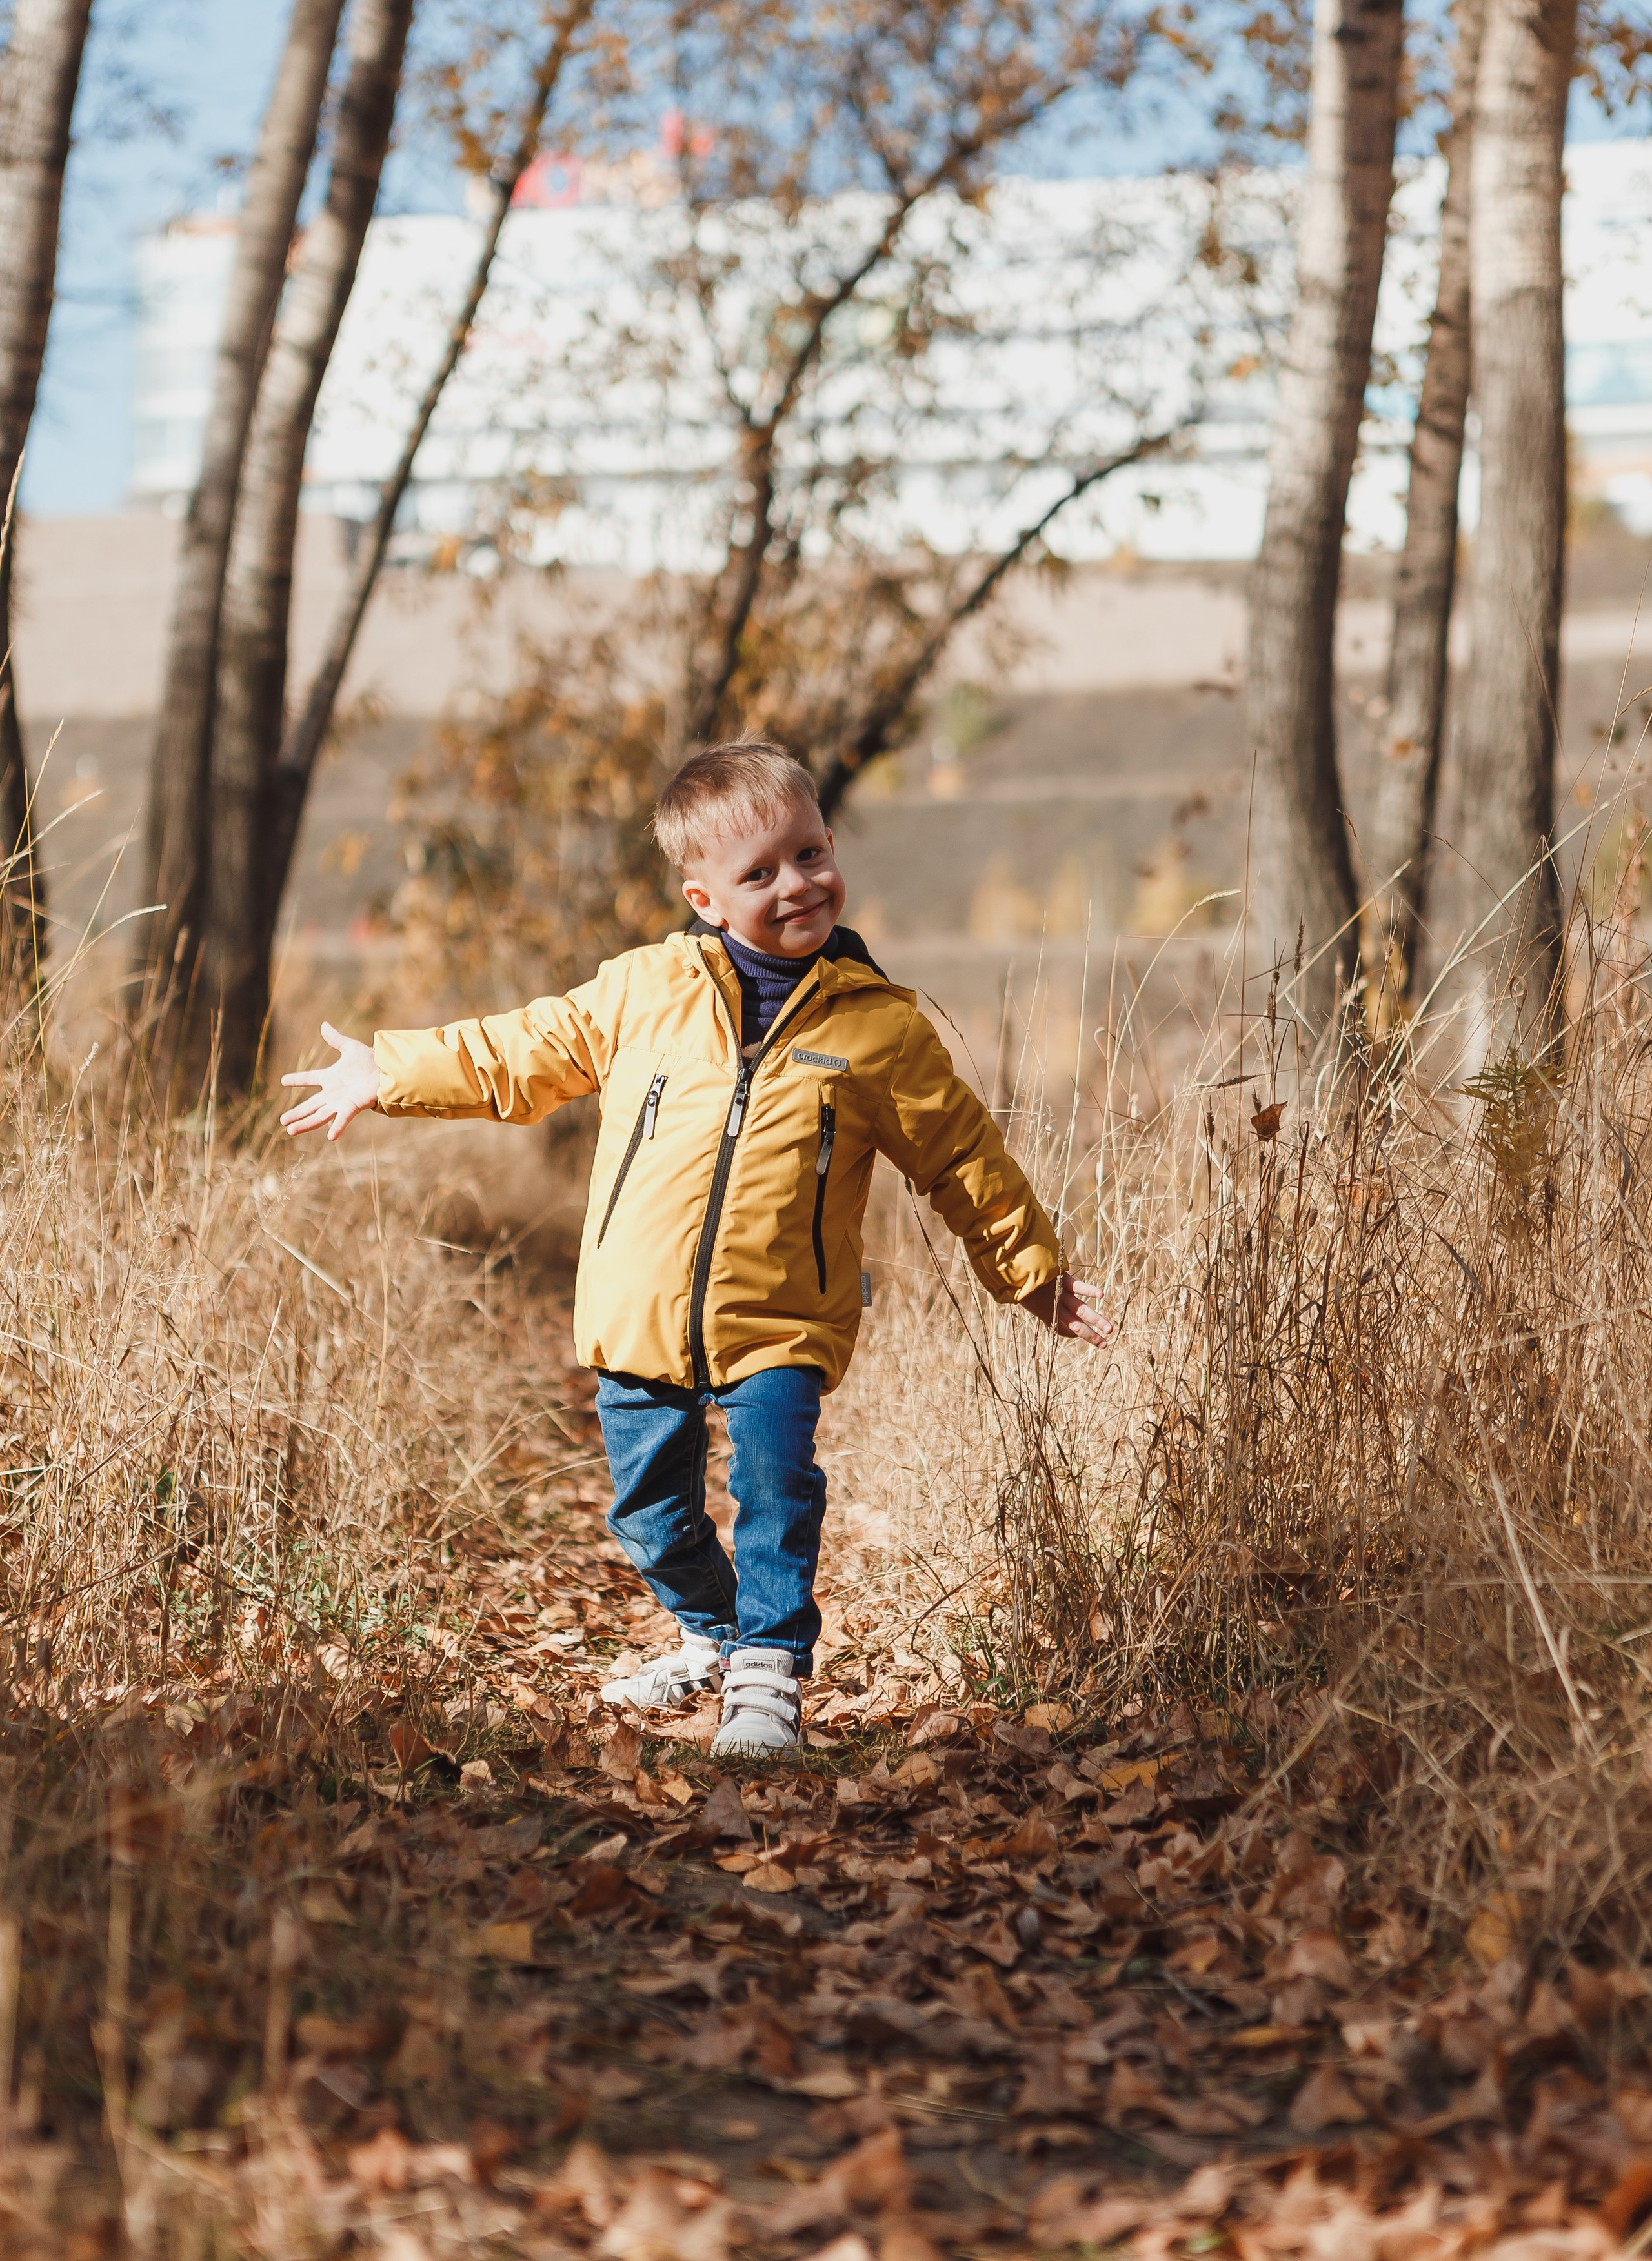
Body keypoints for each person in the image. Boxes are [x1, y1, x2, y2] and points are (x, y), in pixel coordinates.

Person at [279, 736, 1111, 1757]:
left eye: (810, 853)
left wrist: (1032, 1274)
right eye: (760, 873)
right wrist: (390, 1071)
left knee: (775, 1495)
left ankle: (768, 1671)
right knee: (649, 1517)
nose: (797, 884)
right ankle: (713, 1635)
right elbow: (520, 1053)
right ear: (704, 899)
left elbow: (962, 1159)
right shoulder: (643, 991)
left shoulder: (880, 1031)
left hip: (782, 1322)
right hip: (639, 1313)